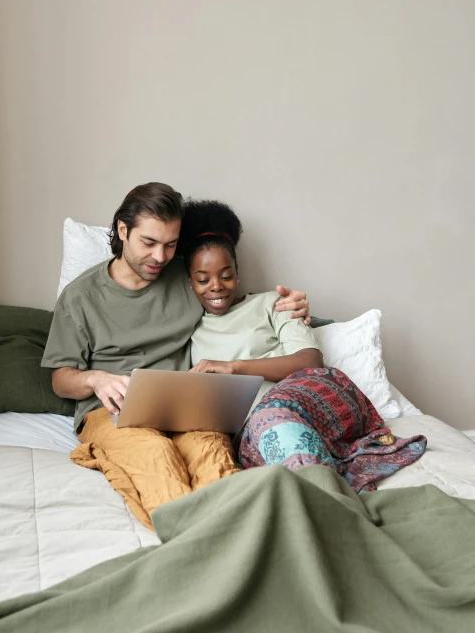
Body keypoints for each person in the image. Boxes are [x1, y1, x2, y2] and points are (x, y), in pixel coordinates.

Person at [42, 182, 310, 529]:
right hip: (112, 412)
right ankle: (193, 547)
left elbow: (233, 302)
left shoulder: (186, 277)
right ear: (122, 230)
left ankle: (244, 542)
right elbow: (60, 379)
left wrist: (295, 307)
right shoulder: (81, 297)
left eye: (170, 245)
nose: (159, 257)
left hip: (184, 407)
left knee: (212, 455)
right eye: (149, 243)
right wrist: (95, 378)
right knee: (156, 456)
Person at [181, 199, 427, 492]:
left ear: (238, 272)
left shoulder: (273, 303)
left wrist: (234, 368)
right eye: (202, 279)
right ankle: (327, 498)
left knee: (272, 418)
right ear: (189, 282)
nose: (216, 286)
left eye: (226, 275)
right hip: (254, 426)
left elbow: (310, 361)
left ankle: (326, 500)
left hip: (308, 394)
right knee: (268, 432)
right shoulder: (191, 332)